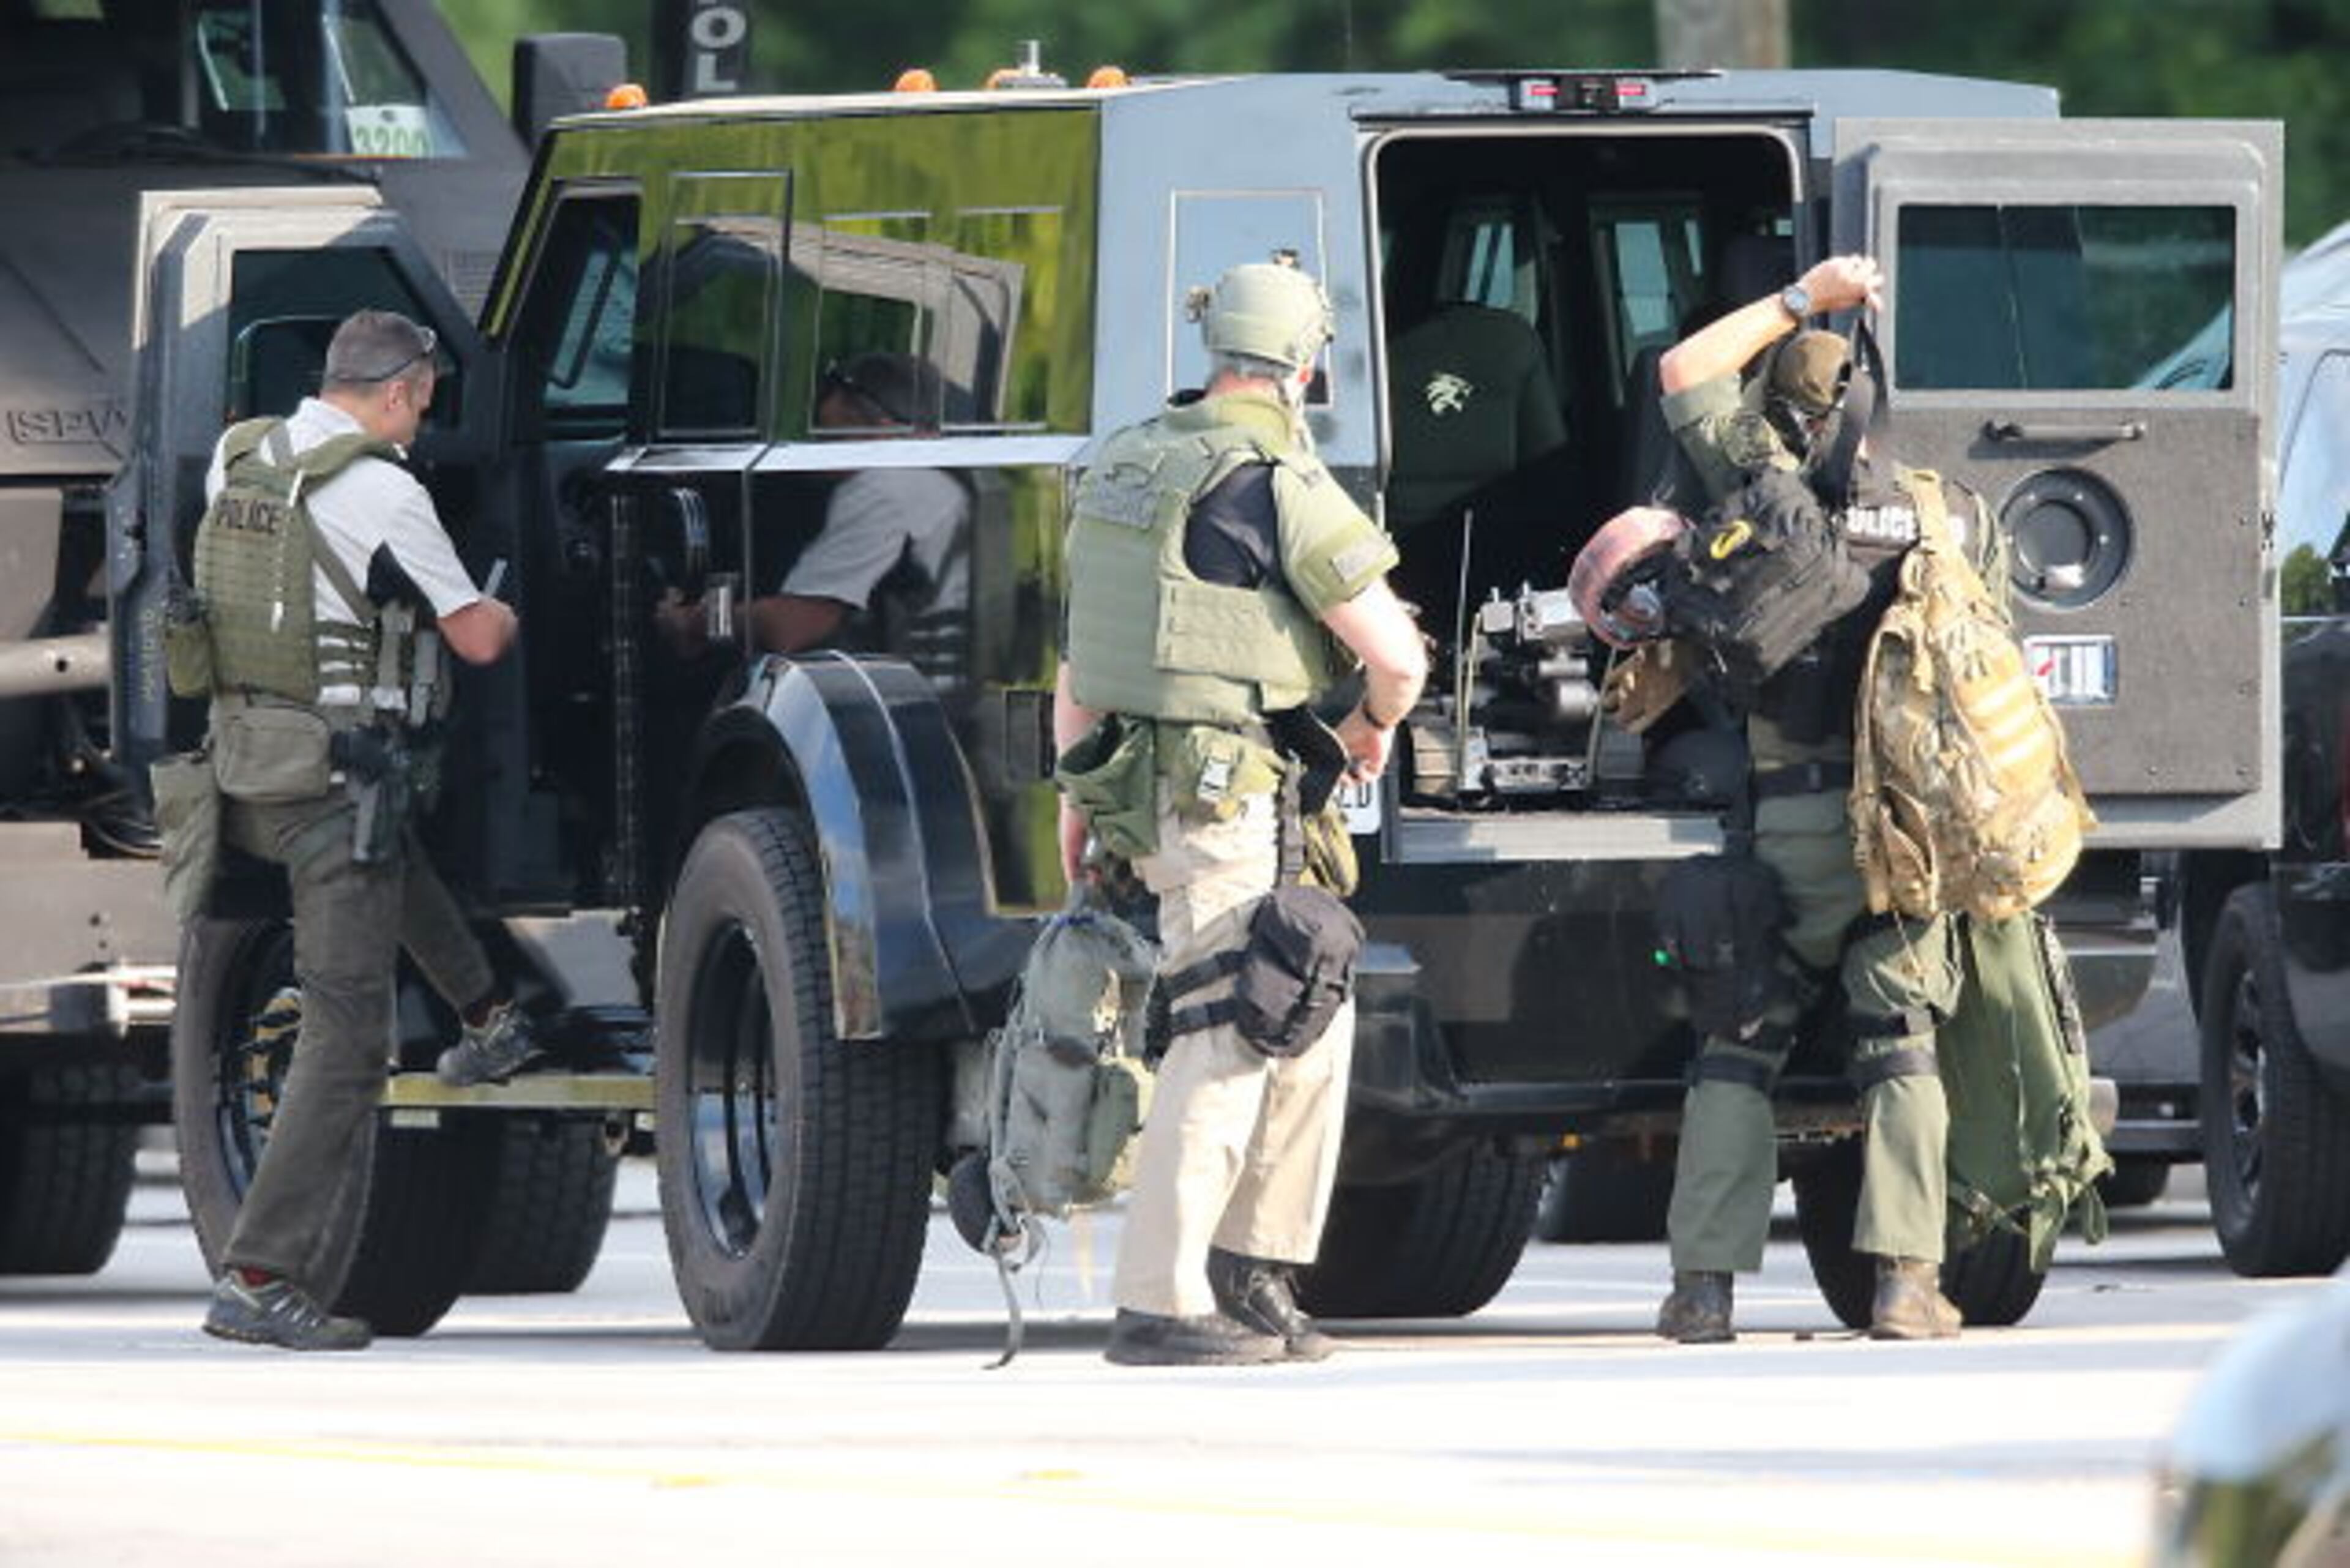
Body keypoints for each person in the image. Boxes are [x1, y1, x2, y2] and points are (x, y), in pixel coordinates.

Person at [1053, 254, 1427, 1367]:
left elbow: (1083, 655)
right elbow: (1397, 658)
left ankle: (1255, 1270)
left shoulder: (1124, 464)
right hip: (1231, 797)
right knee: (1229, 1029)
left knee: (1306, 1011)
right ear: (1306, 368)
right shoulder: (1278, 481)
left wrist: (1080, 790)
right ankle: (1163, 1300)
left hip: (1153, 785)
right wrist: (1370, 729)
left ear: (1216, 353)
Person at [191, 310, 532, 1350]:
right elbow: (473, 638)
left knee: (390, 857)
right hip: (336, 774)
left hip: (244, 759)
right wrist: (513, 607)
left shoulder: (238, 455)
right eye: (423, 403)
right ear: (398, 393)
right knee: (349, 1032)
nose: (422, 423)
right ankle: (258, 1272)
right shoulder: (386, 486)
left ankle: (489, 1018)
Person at [1649, 253, 1972, 1343]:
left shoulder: (1752, 480)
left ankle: (1703, 1293)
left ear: (1778, 403)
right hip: (1900, 830)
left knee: (1737, 1050)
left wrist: (1803, 298)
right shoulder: (1930, 510)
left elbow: (1685, 366)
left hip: (1785, 817)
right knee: (1903, 1047)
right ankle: (1906, 1288)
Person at [657, 351, 969, 687]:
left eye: (824, 434)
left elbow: (790, 627)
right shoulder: (938, 484)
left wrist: (693, 623)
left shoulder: (884, 488)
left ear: (875, 423)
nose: (814, 440)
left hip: (897, 702)